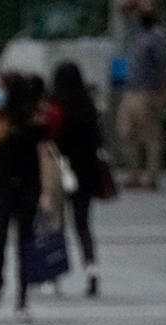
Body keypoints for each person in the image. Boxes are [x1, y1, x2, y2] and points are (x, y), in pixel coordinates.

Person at [0, 72, 56, 319]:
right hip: (1, 184)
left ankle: (22, 295)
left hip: (27, 185)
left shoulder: (35, 123)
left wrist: (46, 191)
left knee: (26, 240)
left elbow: (44, 156)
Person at [50, 61, 106, 297]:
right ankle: (91, 268)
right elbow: (98, 139)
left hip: (61, 168)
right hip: (87, 170)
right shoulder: (88, 106)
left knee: (57, 223)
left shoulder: (57, 107)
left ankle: (54, 274)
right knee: (83, 224)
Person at [116, 2, 166, 190]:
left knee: (150, 136)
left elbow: (164, 66)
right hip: (131, 90)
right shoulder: (137, 34)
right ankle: (134, 174)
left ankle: (151, 177)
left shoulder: (157, 37)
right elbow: (123, 10)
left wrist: (163, 91)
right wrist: (137, 5)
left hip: (147, 91)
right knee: (126, 132)